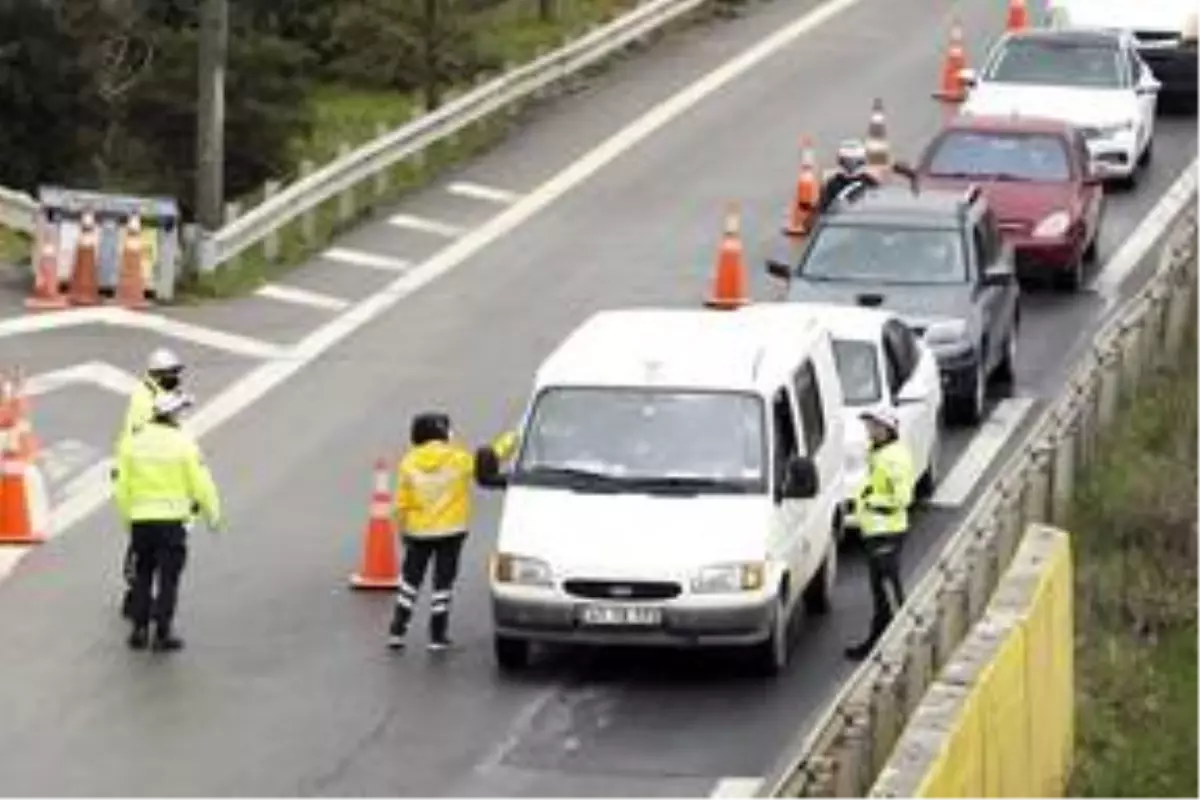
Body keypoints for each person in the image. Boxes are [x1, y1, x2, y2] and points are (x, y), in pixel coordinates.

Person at [387, 412, 517, 652]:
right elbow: (490, 460)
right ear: (442, 432)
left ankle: (397, 630)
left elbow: (401, 503)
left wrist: (402, 531)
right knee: (442, 584)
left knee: (410, 581)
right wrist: (513, 438)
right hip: (451, 532)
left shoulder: (409, 462)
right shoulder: (457, 458)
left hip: (418, 532)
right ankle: (437, 636)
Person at [113, 391, 222, 653]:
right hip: (172, 523)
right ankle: (162, 632)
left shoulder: (132, 442)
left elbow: (121, 487)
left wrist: (128, 519)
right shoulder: (183, 444)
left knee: (143, 574)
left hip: (141, 522)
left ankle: (138, 630)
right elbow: (201, 484)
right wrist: (213, 514)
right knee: (168, 579)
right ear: (173, 415)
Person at [115, 347, 188, 620]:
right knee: (143, 547)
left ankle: (137, 599)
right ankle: (135, 597)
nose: (176, 379)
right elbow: (141, 439)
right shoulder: (143, 400)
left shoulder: (155, 394)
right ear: (157, 374)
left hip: (147, 472)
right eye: (171, 374)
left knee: (144, 543)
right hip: (138, 473)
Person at [844, 408, 915, 661]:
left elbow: (902, 497)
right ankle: (876, 642)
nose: (869, 430)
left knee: (888, 591)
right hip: (875, 532)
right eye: (868, 426)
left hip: (886, 532)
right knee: (880, 592)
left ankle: (903, 646)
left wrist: (871, 501)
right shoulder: (879, 452)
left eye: (874, 426)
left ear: (887, 430)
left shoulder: (893, 458)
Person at [818, 139, 880, 215]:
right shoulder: (832, 184)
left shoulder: (870, 183)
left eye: (855, 162)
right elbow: (823, 211)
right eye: (847, 162)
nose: (851, 166)